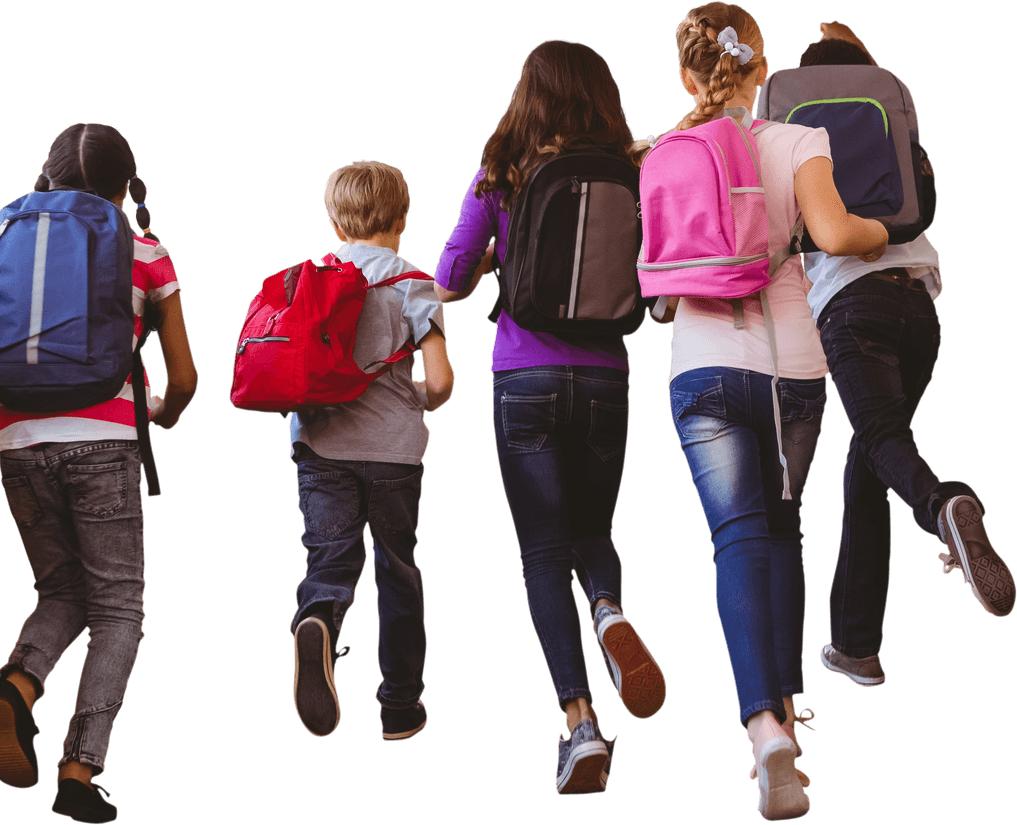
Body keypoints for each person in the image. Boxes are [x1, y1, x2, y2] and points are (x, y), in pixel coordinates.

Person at [656, 4, 888, 819]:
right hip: (793, 366)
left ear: (689, 76)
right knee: (784, 527)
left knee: (737, 538)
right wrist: (872, 228)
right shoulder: (798, 141)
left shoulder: (665, 150)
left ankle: (763, 726)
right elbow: (835, 230)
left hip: (703, 365)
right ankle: (787, 713)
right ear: (762, 69)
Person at [0, 123, 198, 823]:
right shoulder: (144, 252)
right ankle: (79, 768)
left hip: (13, 443)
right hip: (103, 442)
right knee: (120, 606)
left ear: (46, 180)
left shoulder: (19, 250)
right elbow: (185, 378)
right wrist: (162, 413)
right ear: (124, 190)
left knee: (63, 589)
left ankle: (18, 685)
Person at [435, 39, 665, 796]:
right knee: (593, 532)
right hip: (607, 375)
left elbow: (450, 281)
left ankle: (581, 725)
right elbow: (655, 282)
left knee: (541, 551)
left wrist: (501, 244)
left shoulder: (499, 171)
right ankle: (607, 609)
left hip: (523, 376)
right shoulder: (635, 171)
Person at [795, 23, 1015, 694]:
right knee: (868, 459)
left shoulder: (792, 135)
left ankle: (948, 504)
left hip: (850, 305)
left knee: (882, 438)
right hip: (920, 307)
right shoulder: (892, 122)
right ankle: (857, 644)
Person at [289, 160, 453, 743]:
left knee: (330, 559)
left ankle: (318, 618)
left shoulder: (312, 278)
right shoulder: (412, 281)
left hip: (320, 446)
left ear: (335, 220)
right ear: (403, 218)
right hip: (393, 455)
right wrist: (411, 397)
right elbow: (439, 382)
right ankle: (401, 706)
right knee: (397, 570)